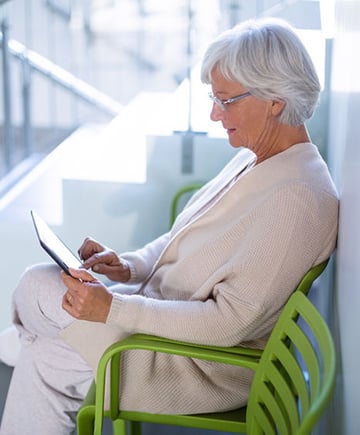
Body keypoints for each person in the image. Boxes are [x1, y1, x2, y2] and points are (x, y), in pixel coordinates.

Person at [0, 17, 338, 435]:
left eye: (226, 100)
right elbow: (187, 232)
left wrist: (114, 308)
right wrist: (129, 266)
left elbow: (230, 323)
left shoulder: (299, 199)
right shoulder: (260, 159)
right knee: (47, 339)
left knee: (40, 291)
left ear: (275, 98)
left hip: (191, 364)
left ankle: (26, 337)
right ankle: (33, 339)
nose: (215, 114)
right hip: (159, 320)